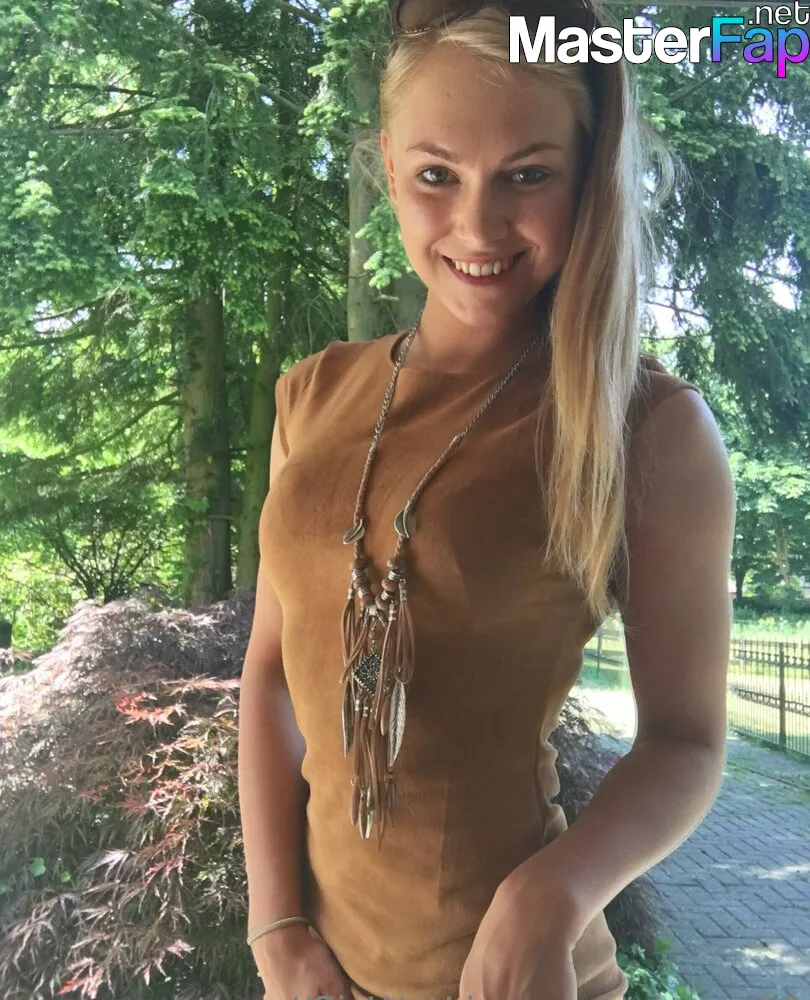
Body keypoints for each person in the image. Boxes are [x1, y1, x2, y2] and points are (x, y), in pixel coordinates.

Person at [237, 0, 736, 997]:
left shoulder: (645, 428)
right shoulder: (312, 395)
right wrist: (276, 929)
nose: (477, 224)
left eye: (528, 174)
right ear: (389, 168)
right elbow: (271, 679)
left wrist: (550, 895)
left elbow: (686, 742)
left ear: (586, 174)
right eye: (438, 175)